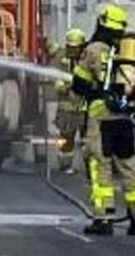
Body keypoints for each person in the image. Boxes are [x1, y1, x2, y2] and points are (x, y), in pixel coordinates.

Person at [71, 4, 135, 236]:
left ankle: (103, 218)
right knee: (128, 167)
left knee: (100, 167)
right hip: (124, 118)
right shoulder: (129, 53)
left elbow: (79, 84)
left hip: (100, 116)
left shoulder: (93, 50)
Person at [53, 28, 87, 174]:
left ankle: (91, 168)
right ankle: (64, 165)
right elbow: (57, 81)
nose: (72, 50)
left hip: (84, 109)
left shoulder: (87, 59)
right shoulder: (62, 57)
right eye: (70, 47)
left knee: (88, 141)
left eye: (75, 47)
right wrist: (66, 85)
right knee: (65, 140)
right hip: (66, 109)